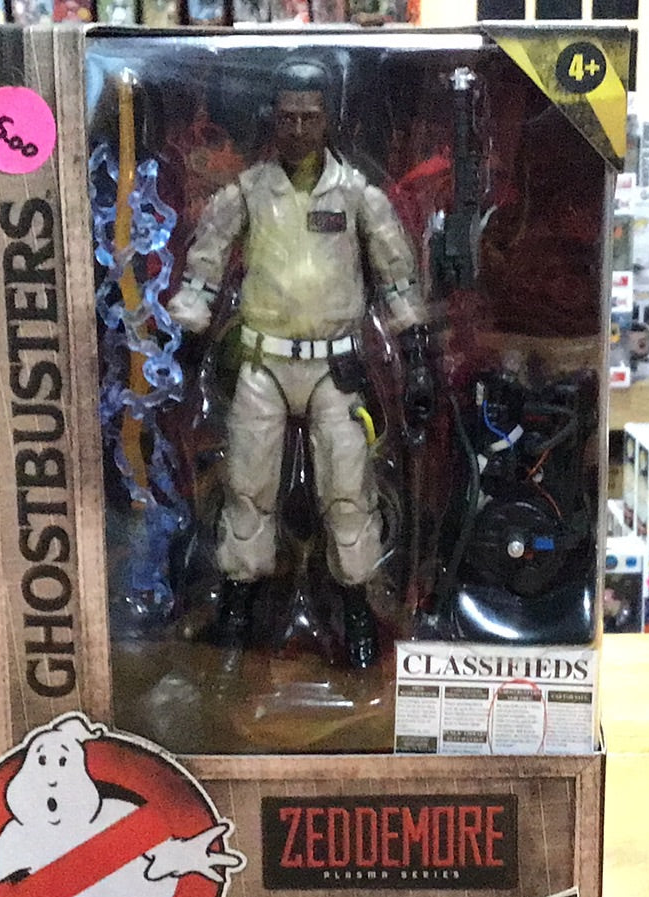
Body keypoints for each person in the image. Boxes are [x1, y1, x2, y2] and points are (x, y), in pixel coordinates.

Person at [167, 56, 432, 668]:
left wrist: (415, 355)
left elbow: (397, 275)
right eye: (287, 117)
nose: (297, 128)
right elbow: (205, 265)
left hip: (334, 367)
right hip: (263, 360)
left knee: (348, 490)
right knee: (248, 485)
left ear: (327, 118)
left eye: (309, 117)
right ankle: (238, 604)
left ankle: (357, 606)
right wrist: (188, 337)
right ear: (273, 118)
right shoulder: (249, 192)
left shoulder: (358, 195)